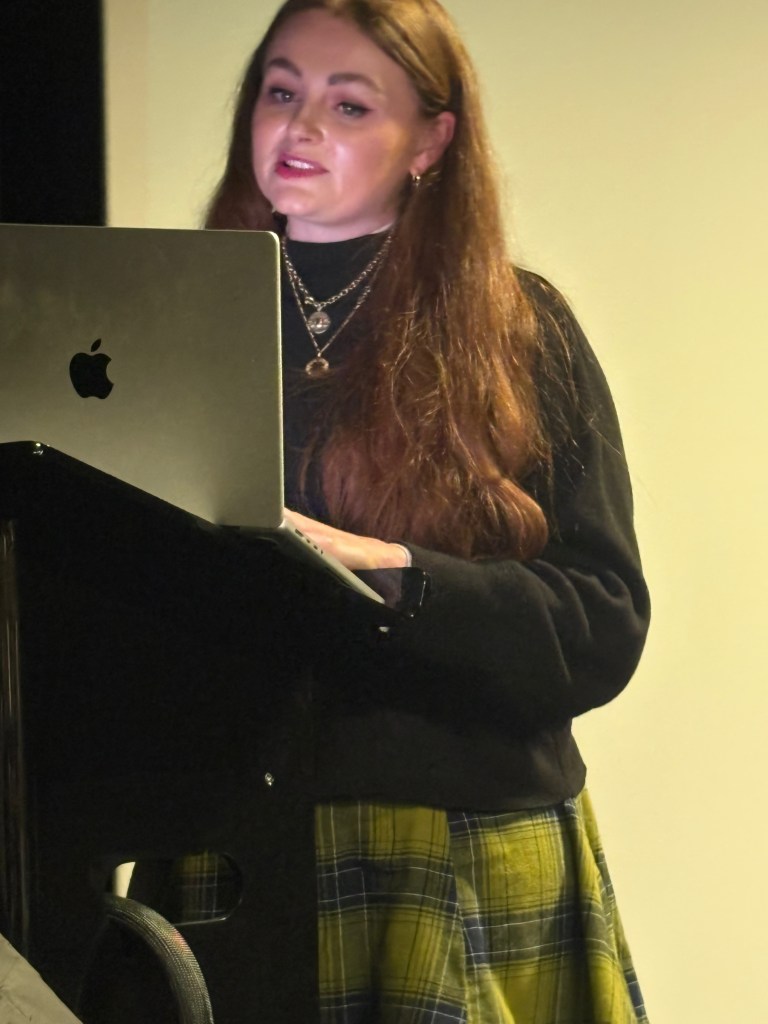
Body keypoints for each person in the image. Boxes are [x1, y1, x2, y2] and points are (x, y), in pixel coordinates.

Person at [205, 0, 652, 1020]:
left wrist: (400, 575)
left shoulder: (514, 326)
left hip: (459, 847)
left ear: (431, 141)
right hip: (231, 852)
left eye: (349, 105)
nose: (300, 126)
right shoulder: (172, 318)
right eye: (281, 91)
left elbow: (603, 619)